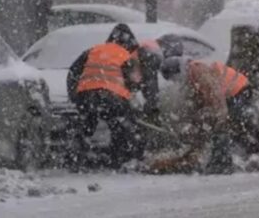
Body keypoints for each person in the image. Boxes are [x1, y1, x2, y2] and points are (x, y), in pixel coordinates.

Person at [66, 23, 145, 168]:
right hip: (112, 97)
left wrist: (74, 96)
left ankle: (77, 155)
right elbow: (135, 82)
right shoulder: (126, 55)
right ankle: (118, 157)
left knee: (88, 120)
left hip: (86, 95)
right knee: (120, 123)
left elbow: (73, 72)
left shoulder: (93, 50)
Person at [153, 58, 239, 174]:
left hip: (237, 91)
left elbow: (214, 95)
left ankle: (223, 164)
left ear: (178, 71)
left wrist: (213, 116)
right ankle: (220, 161)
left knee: (220, 129)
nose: (175, 81)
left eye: (174, 78)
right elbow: (197, 102)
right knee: (215, 129)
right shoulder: (191, 75)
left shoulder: (197, 71)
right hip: (227, 95)